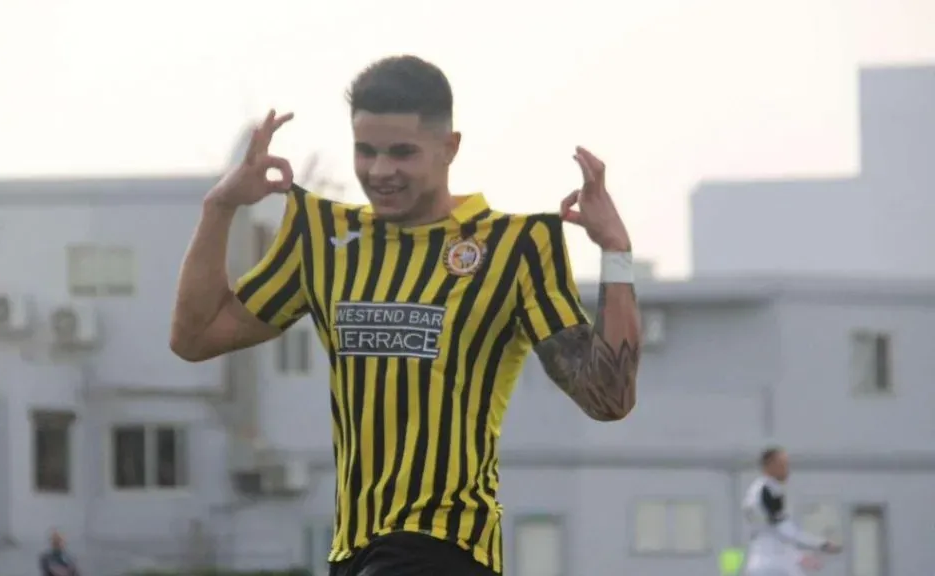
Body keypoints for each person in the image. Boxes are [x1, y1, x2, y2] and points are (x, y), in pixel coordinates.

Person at [170, 55, 642, 576]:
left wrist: (615, 250)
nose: (379, 171)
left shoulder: (516, 249)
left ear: (449, 148)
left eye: (402, 153)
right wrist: (220, 206)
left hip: (448, 542)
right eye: (365, 151)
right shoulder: (323, 238)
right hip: (353, 549)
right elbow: (194, 338)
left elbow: (609, 397)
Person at [742, 447, 842, 576]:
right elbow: (785, 530)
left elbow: (772, 532)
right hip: (773, 566)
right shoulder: (767, 491)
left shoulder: (758, 490)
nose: (787, 470)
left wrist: (797, 557)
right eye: (782, 464)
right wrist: (821, 544)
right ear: (769, 466)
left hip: (764, 560)